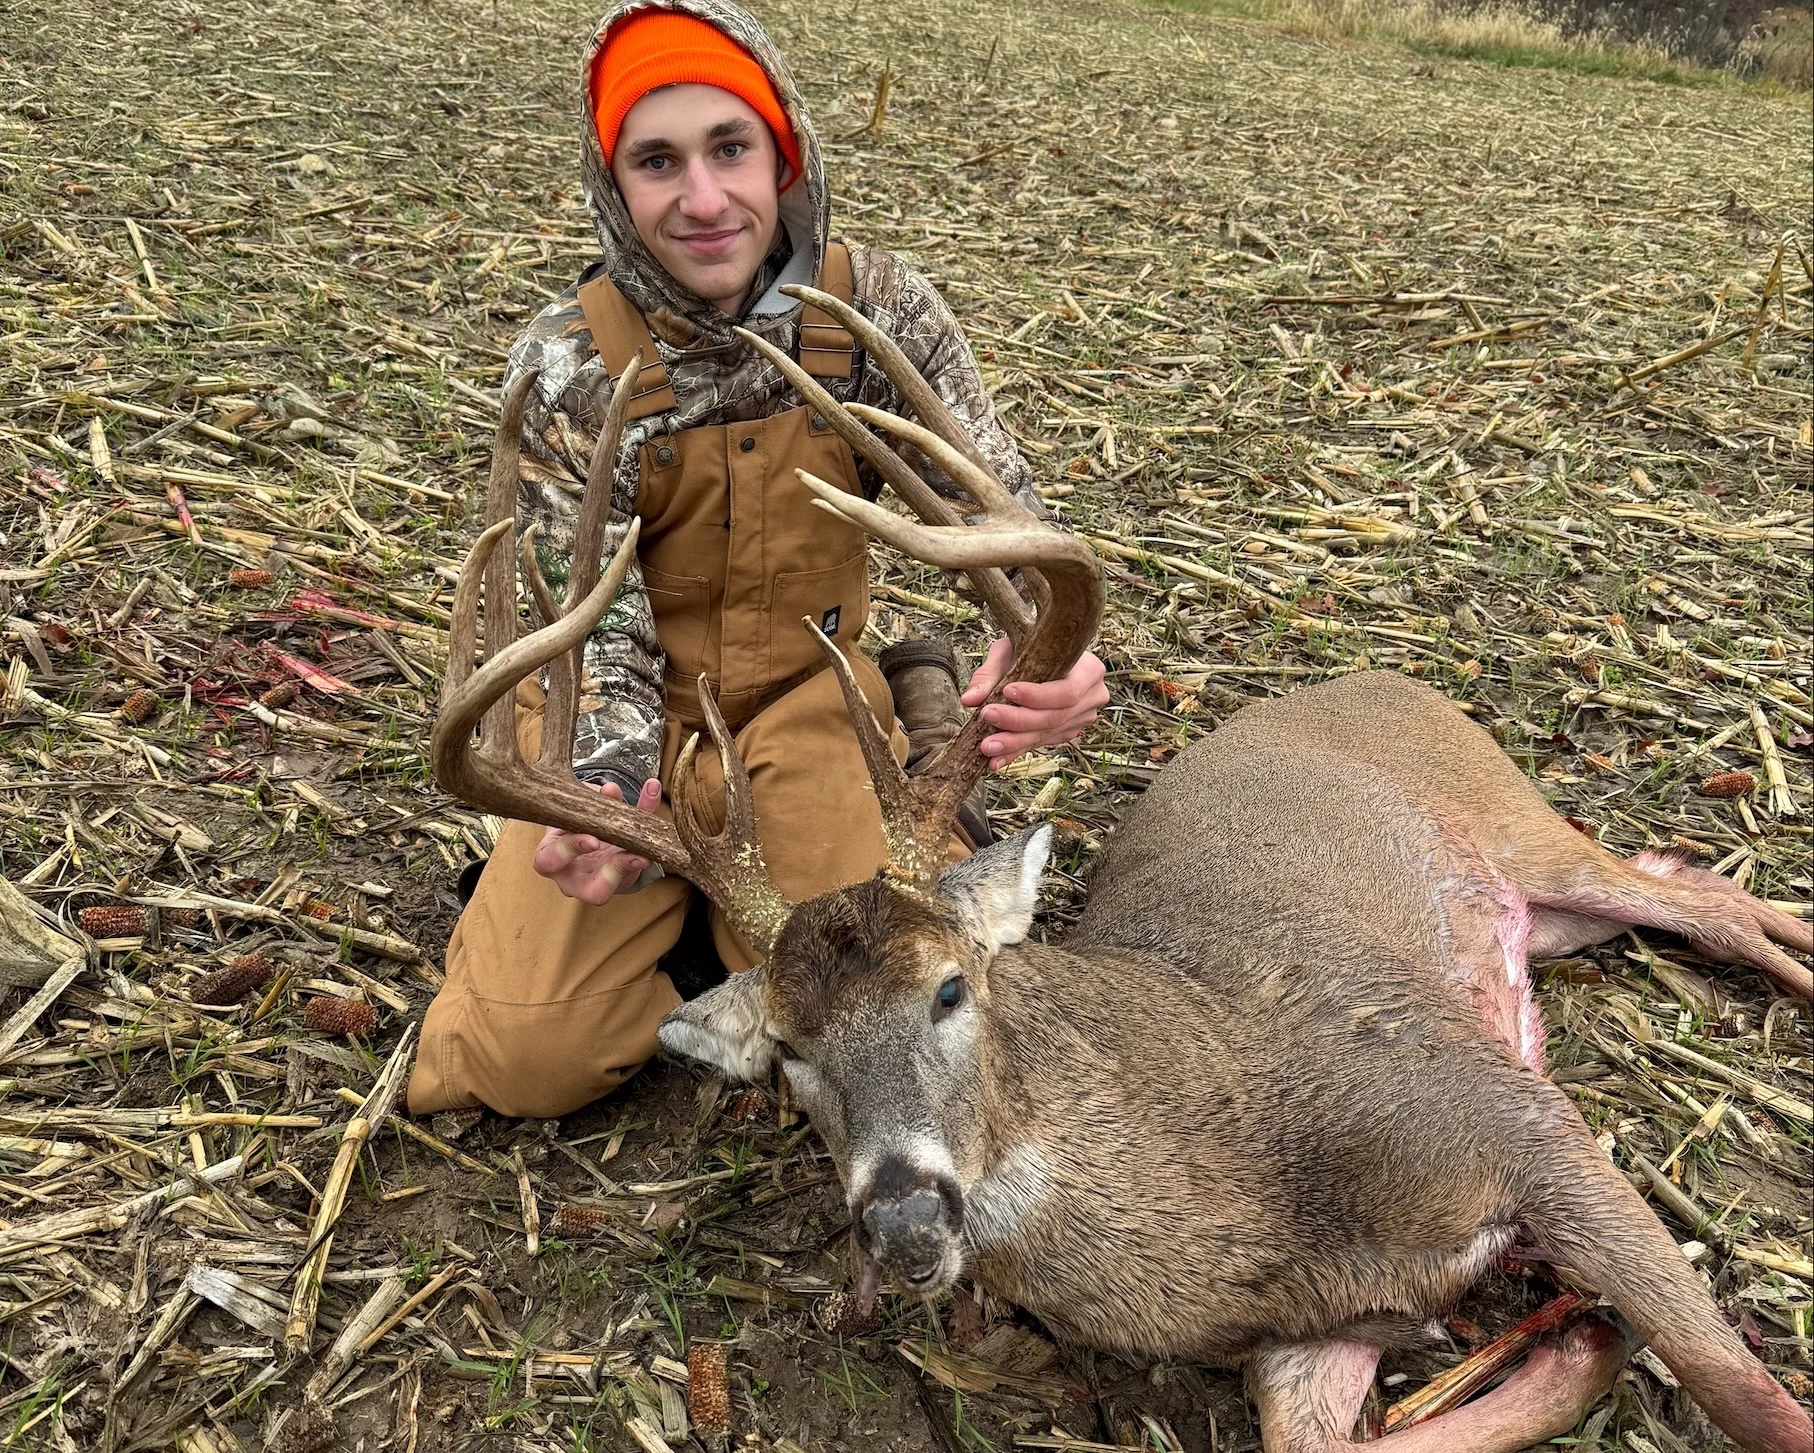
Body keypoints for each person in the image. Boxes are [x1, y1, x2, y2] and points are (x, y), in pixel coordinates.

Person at [407, 0, 1107, 1118]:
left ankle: (905, 705)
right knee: (517, 1063)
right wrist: (603, 792)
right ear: (612, 184)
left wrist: (1047, 657)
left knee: (864, 991)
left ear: (783, 155)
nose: (701, 199)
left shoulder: (877, 315)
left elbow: (1004, 517)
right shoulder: (569, 365)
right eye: (656, 161)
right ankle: (678, 915)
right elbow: (578, 635)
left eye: (731, 149)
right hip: (618, 721)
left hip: (800, 700)